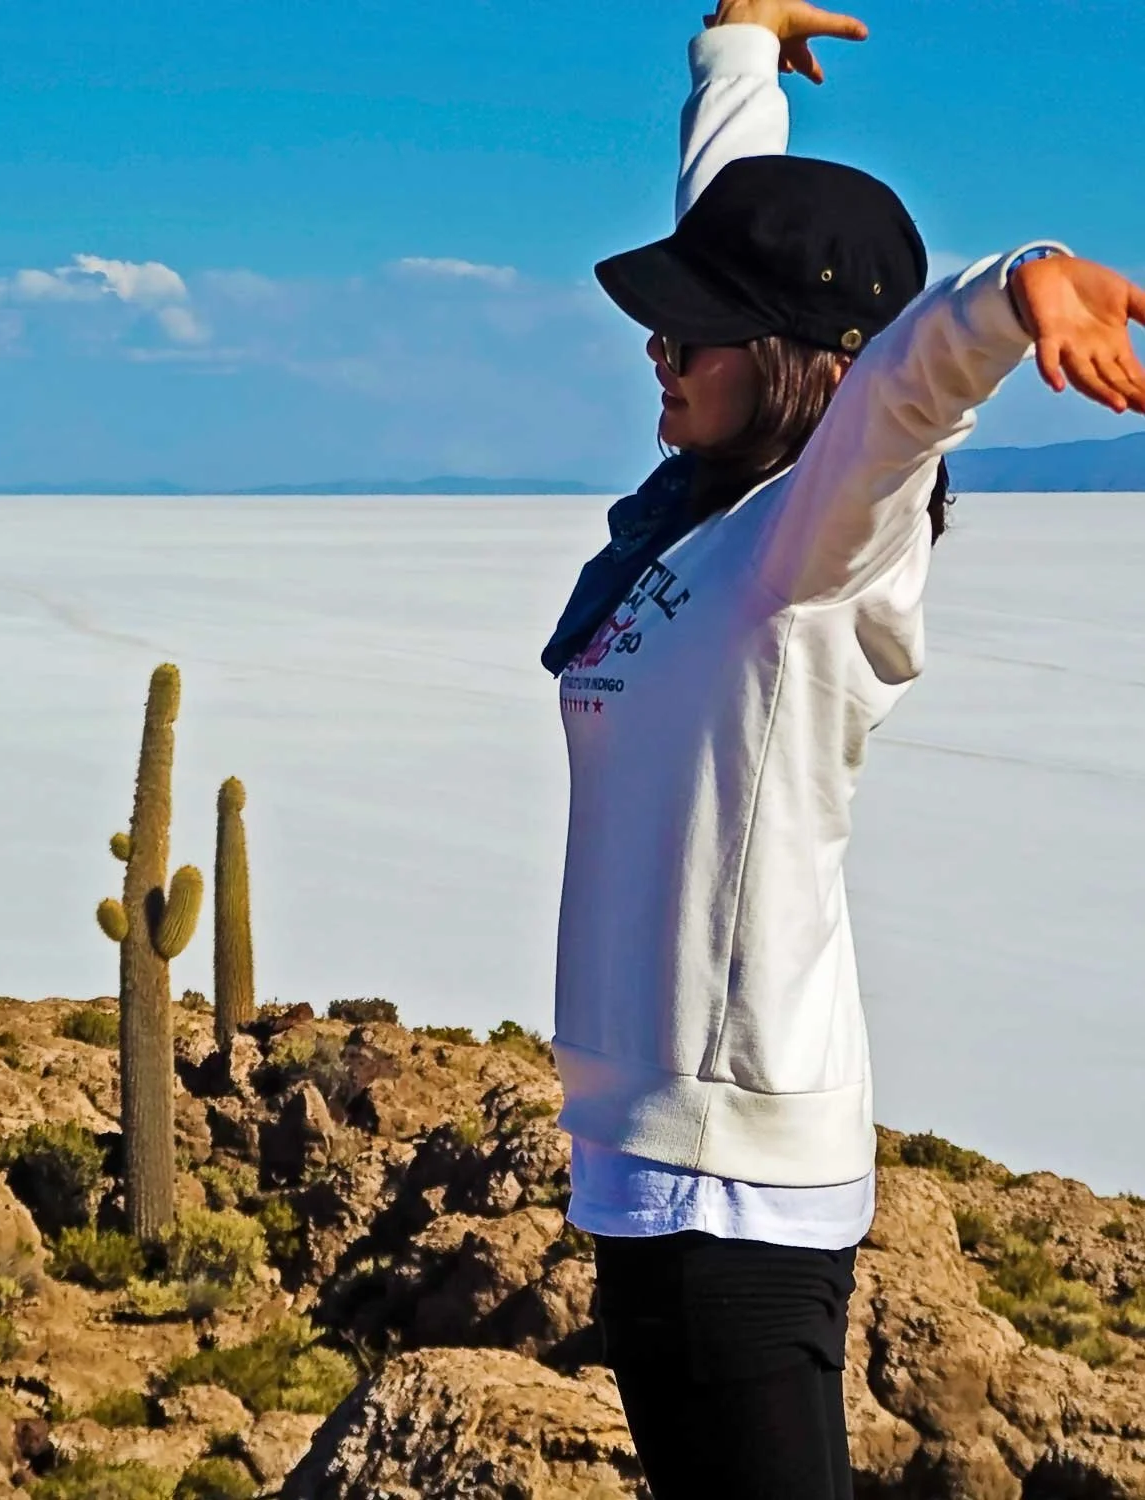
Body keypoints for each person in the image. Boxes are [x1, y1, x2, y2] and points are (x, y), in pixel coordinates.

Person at [542, 3, 1145, 1497]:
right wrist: (736, 51)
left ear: (802, 362)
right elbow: (738, 233)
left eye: (693, 332)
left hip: (741, 1191)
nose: (657, 350)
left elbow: (900, 390)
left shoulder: (812, 557)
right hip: (637, 1173)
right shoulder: (699, 512)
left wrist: (1020, 289)